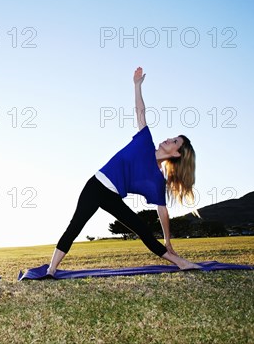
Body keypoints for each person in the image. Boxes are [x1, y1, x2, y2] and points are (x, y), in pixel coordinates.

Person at [47, 67, 200, 275]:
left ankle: (180, 262)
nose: (168, 139)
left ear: (177, 154)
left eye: (174, 141)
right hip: (96, 185)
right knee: (75, 225)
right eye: (172, 137)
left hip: (112, 196)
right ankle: (51, 269)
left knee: (143, 230)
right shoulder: (146, 141)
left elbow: (162, 210)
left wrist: (167, 240)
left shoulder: (157, 179)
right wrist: (137, 86)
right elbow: (140, 111)